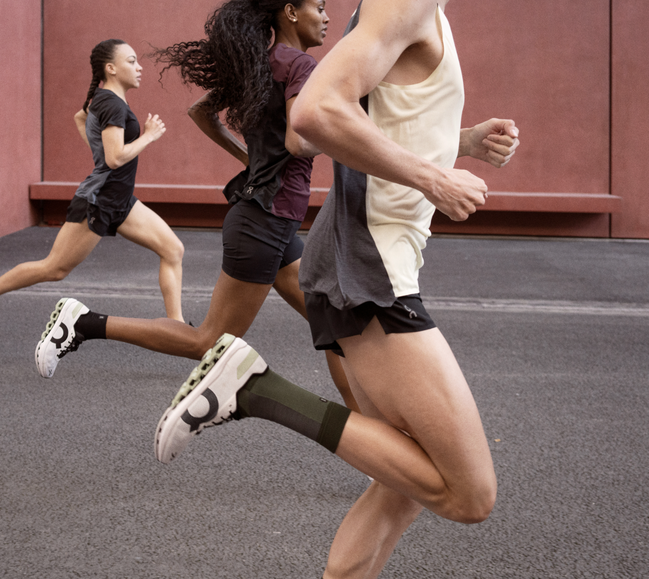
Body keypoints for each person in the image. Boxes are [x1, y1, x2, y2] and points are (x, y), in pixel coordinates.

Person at [154, 0, 520, 577]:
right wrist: (431, 176)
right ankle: (256, 390)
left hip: (361, 256)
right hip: (371, 266)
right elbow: (317, 114)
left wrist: (461, 141)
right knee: (469, 495)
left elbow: (376, 112)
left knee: (401, 480)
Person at [33, 0, 355, 410]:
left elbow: (200, 111)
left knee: (334, 325)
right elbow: (298, 141)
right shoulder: (300, 67)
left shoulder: (264, 63)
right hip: (266, 220)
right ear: (290, 12)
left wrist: (251, 160)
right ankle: (81, 323)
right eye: (319, 7)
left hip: (269, 217)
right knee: (207, 341)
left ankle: (365, 428)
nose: (327, 17)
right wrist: (344, 137)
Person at [0, 39, 185, 347]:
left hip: (119, 200)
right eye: (131, 61)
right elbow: (115, 157)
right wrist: (149, 136)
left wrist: (101, 158)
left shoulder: (104, 99)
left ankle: (177, 328)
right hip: (98, 202)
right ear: (111, 68)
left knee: (173, 250)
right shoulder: (113, 104)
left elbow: (82, 119)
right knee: (55, 268)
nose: (139, 66)